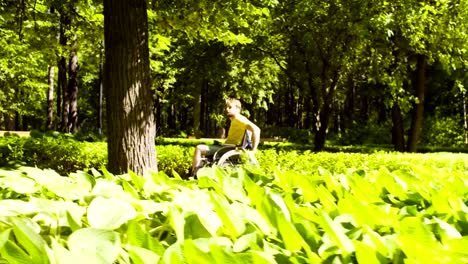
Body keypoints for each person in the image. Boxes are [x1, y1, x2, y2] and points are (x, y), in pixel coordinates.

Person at [192, 98, 261, 176]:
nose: (227, 109)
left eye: (230, 107)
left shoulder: (239, 119)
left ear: (237, 109)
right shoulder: (235, 119)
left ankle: (194, 174)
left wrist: (253, 150)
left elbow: (257, 130)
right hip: (227, 147)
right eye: (226, 107)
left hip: (228, 149)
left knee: (199, 148)